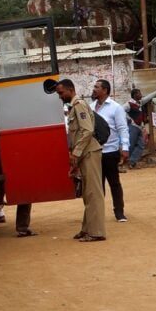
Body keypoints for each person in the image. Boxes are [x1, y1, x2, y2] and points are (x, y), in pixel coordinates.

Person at [56, 79, 106, 242]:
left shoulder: (79, 105)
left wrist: (76, 153)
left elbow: (87, 130)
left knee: (93, 193)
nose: (60, 96)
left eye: (61, 92)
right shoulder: (74, 106)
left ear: (70, 90)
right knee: (87, 193)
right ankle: (87, 229)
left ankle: (96, 232)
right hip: (85, 153)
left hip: (89, 152)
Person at [91, 79, 130, 222]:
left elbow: (122, 128)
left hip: (110, 151)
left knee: (114, 183)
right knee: (97, 185)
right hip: (94, 152)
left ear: (105, 90)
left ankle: (119, 212)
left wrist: (125, 148)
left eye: (97, 87)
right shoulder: (90, 107)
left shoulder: (116, 108)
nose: (94, 89)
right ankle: (98, 214)